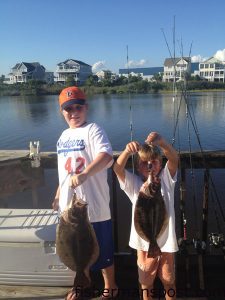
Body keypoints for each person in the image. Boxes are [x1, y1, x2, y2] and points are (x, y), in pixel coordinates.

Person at [52, 86, 117, 300]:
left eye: (78, 107)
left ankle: (110, 287)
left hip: (94, 206)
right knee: (75, 249)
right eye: (68, 109)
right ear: (62, 112)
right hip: (68, 209)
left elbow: (106, 156)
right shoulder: (62, 136)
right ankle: (81, 285)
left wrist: (86, 174)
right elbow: (65, 170)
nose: (73, 113)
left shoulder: (93, 130)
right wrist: (59, 192)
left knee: (102, 250)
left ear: (86, 108)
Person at [113, 132, 178, 300]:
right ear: (137, 165)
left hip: (166, 243)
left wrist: (162, 143)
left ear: (160, 163)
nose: (149, 165)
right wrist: (127, 151)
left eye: (154, 162)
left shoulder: (165, 180)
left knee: (168, 280)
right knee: (146, 282)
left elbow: (174, 159)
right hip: (143, 243)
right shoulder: (134, 184)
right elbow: (117, 169)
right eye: (144, 163)